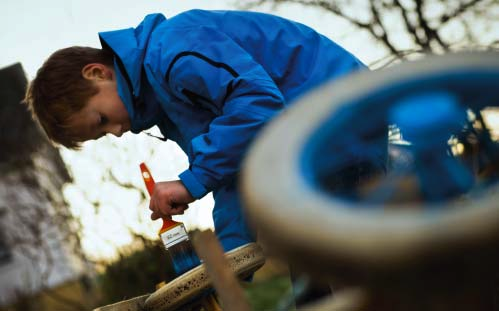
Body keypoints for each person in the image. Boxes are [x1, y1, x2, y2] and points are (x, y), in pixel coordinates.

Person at [25, 9, 366, 254]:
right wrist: (234, 257)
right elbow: (232, 171)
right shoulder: (170, 107)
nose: (115, 133)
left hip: (341, 108)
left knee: (331, 258)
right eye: (102, 134)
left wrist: (191, 181)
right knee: (314, 260)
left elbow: (258, 103)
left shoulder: (172, 50)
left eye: (101, 120)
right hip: (313, 135)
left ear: (98, 73)